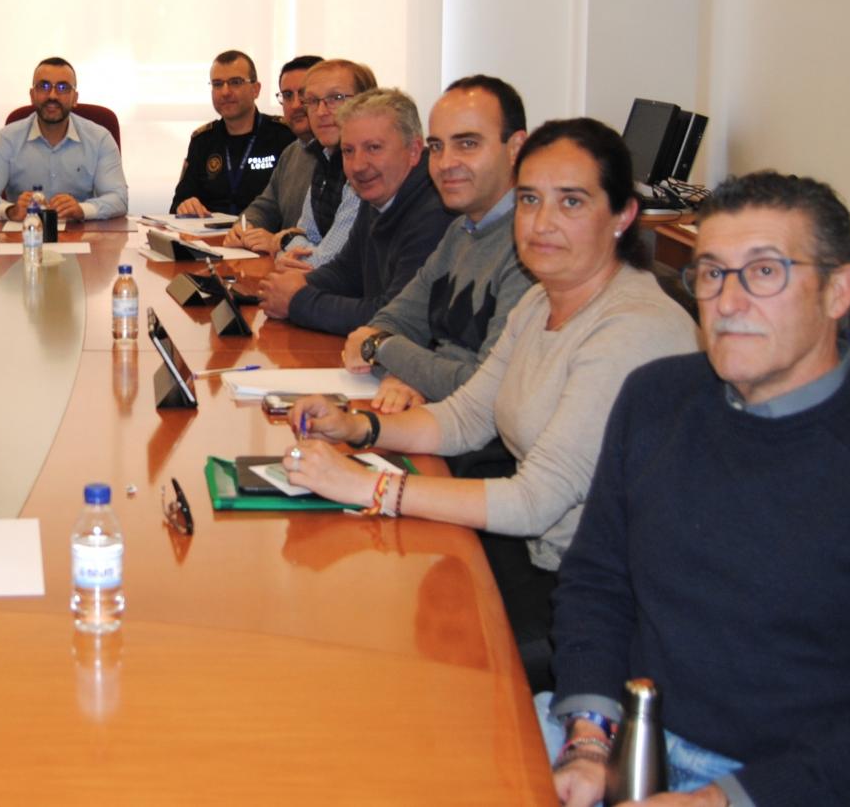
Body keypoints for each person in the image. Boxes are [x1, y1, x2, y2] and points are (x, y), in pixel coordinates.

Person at [545, 172, 850, 807]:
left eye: (765, 272)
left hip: (806, 783)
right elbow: (596, 581)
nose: (728, 301)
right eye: (711, 273)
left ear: (838, 291)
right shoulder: (655, 397)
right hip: (631, 741)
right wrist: (588, 737)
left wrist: (721, 799)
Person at [284, 119, 696, 690]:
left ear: (623, 215)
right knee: (356, 599)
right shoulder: (542, 301)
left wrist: (368, 487)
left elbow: (533, 501)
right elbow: (466, 416)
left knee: (392, 649)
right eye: (529, 200)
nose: (542, 222)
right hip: (536, 555)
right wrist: (357, 427)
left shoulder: (632, 329)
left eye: (571, 202)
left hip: (604, 602)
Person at [342, 75, 535, 413]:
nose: (446, 163)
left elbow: (487, 388)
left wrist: (384, 351)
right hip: (439, 422)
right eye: (437, 147)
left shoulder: (535, 247)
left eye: (467, 144)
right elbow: (391, 321)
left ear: (516, 147)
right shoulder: (461, 230)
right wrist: (404, 371)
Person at [258, 87, 451, 335]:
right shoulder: (377, 194)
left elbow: (395, 317)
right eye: (348, 151)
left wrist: (297, 301)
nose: (358, 166)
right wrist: (293, 285)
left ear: (414, 150)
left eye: (374, 148)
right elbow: (347, 272)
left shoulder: (436, 212)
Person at [230, 59, 376, 258]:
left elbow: (329, 259)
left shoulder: (366, 167)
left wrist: (282, 242)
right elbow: (300, 232)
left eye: (335, 98)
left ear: (365, 102)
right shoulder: (319, 155)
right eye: (313, 101)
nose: (321, 111)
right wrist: (245, 227)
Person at [0, 56, 129, 222]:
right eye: (43, 86)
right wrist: (10, 210)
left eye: (62, 87)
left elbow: (119, 199)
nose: (52, 95)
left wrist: (82, 209)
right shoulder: (6, 139)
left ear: (75, 98)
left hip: (80, 233)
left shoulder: (99, 139)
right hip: (25, 233)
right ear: (32, 95)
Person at [170, 49, 297, 217]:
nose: (225, 92)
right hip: (209, 232)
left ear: (256, 89)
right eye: (217, 84)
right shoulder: (203, 140)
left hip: (262, 230)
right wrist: (185, 205)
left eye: (235, 82)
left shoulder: (283, 136)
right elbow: (177, 205)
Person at [222, 54, 321, 243]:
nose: (295, 105)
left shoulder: (345, 156)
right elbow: (265, 207)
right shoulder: (291, 152)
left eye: (304, 95)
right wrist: (243, 228)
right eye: (287, 95)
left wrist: (278, 243)